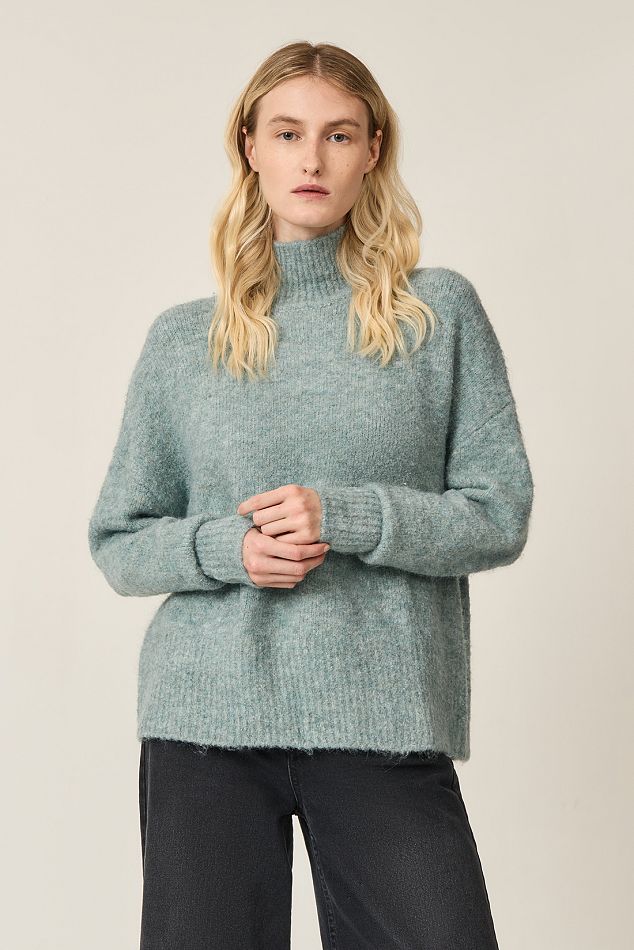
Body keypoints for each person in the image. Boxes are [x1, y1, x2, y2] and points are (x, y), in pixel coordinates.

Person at [88, 40, 534, 950]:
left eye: (339, 134)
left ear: (373, 150)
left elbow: (498, 513)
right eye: (288, 133)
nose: (313, 159)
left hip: (385, 715)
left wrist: (350, 516)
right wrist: (228, 549)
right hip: (205, 721)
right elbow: (119, 539)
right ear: (250, 147)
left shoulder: (437, 314)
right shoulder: (184, 341)